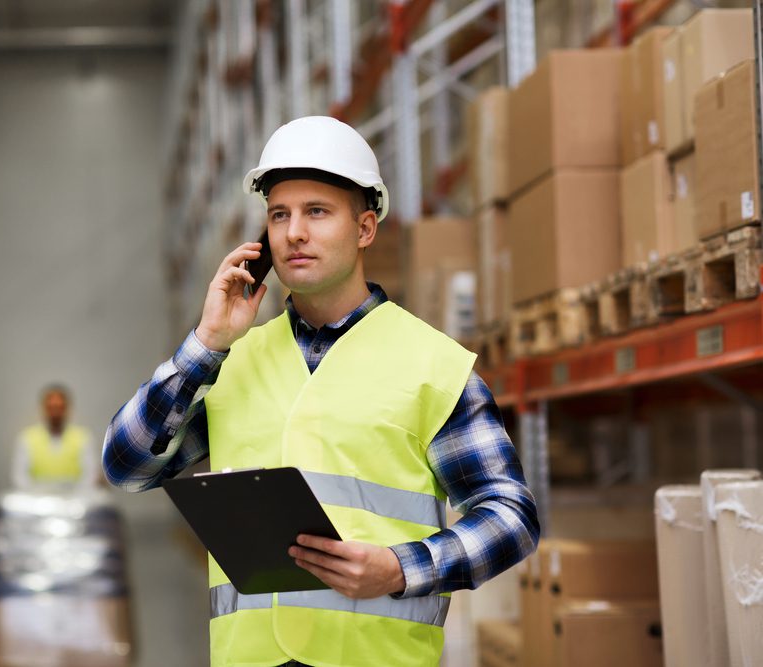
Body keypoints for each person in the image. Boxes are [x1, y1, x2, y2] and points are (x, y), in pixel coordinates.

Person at [103, 116, 539, 667]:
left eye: (317, 212)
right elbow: (127, 465)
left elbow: (510, 516)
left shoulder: (432, 366)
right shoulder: (228, 362)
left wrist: (403, 567)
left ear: (364, 229)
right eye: (279, 215)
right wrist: (205, 342)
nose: (293, 234)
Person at [12, 384, 101, 491]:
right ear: (43, 408)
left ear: (67, 409)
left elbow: (90, 475)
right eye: (51, 407)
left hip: (75, 502)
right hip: (36, 503)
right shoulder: (26, 438)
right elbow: (20, 477)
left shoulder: (84, 437)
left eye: (59, 407)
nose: (55, 413)